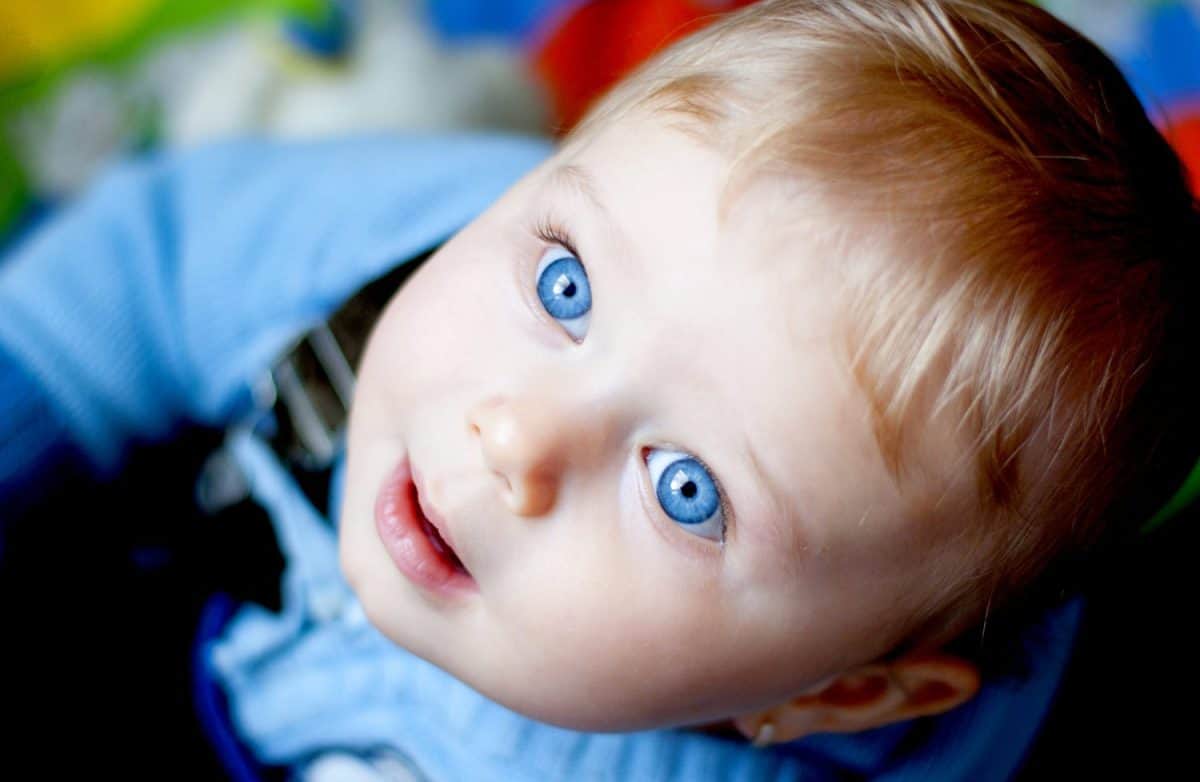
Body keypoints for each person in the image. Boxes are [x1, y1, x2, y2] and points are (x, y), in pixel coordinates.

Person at [2, 1, 1197, 779]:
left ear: (835, 692)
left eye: (686, 490)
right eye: (567, 290)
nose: (518, 431)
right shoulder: (402, 243)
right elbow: (130, 281)